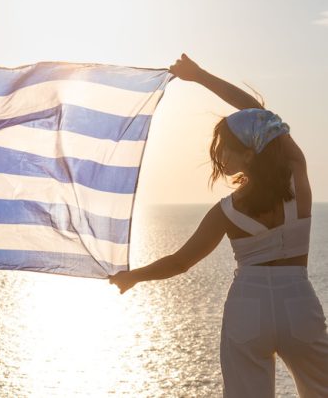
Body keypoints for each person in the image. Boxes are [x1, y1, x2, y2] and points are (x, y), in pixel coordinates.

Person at [108, 53, 328, 397]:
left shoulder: (226, 210)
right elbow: (261, 115)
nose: (220, 154)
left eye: (226, 148)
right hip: (298, 305)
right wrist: (200, 76)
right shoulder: (296, 179)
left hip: (247, 308)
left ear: (250, 154)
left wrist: (134, 276)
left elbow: (180, 262)